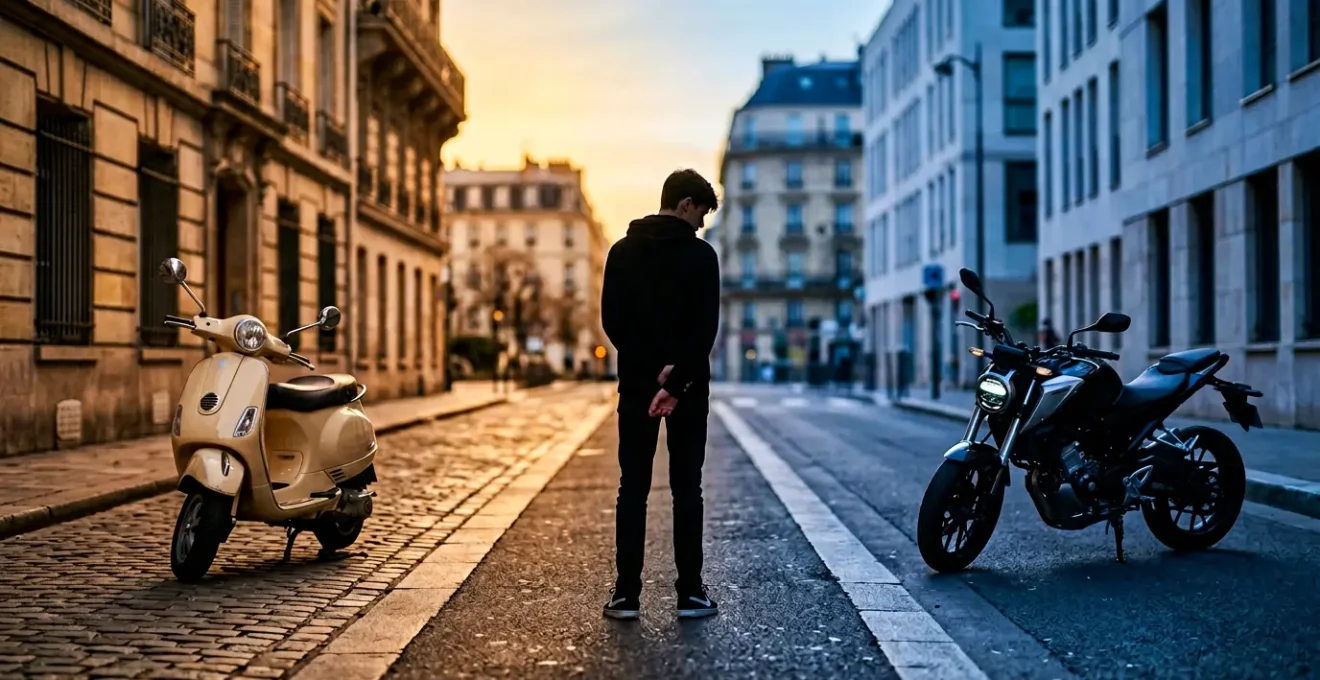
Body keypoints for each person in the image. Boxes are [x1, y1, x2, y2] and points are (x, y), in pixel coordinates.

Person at [599, 169, 721, 621]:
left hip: (636, 386)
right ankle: (690, 593)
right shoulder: (702, 256)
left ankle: (626, 595)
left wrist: (652, 376)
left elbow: (614, 322)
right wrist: (675, 383)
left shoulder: (622, 252)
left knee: (632, 489)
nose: (702, 224)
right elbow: (704, 329)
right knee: (687, 489)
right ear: (686, 203)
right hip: (688, 390)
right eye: (701, 213)